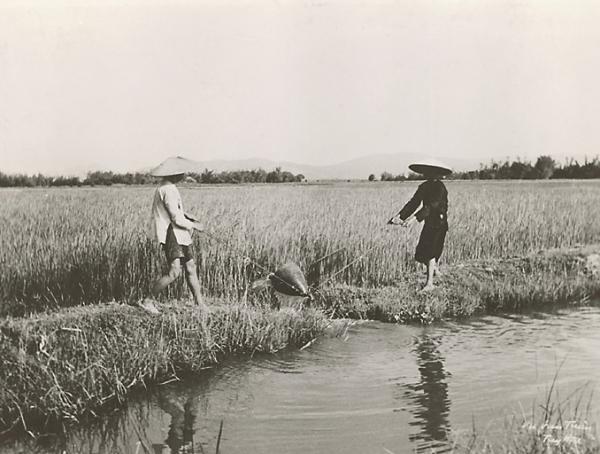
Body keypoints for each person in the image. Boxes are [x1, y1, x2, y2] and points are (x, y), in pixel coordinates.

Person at [140, 157, 205, 314]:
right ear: (174, 174)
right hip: (172, 232)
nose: (183, 175)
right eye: (181, 173)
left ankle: (200, 305)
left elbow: (175, 211)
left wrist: (187, 215)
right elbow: (174, 217)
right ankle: (147, 301)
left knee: (190, 267)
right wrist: (194, 225)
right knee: (174, 271)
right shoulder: (167, 190)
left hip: (179, 232)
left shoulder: (168, 188)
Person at [390, 159, 451, 291]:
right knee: (422, 252)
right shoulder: (423, 187)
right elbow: (414, 203)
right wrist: (400, 217)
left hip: (438, 223)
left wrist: (413, 220)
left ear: (437, 173)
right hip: (429, 222)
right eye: (426, 172)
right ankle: (434, 270)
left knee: (431, 252)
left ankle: (429, 284)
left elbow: (430, 207)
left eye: (431, 172)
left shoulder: (440, 188)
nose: (428, 174)